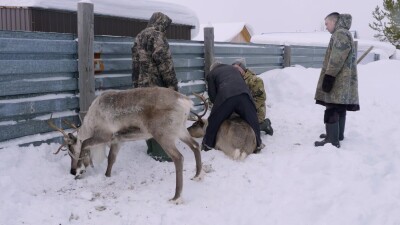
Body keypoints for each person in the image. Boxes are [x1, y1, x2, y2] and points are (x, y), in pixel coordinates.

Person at [132, 12, 178, 161]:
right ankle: (162, 153)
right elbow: (165, 64)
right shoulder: (157, 36)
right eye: (166, 26)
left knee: (147, 118)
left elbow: (134, 65)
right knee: (160, 119)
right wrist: (173, 86)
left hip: (140, 88)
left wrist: (134, 87)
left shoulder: (138, 36)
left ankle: (151, 149)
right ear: (161, 23)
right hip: (156, 89)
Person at [314, 12, 360, 148]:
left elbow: (337, 58)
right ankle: (337, 134)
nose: (326, 27)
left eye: (327, 24)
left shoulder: (340, 34)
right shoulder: (344, 33)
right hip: (342, 79)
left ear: (334, 22)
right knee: (339, 106)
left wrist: (329, 76)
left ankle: (332, 139)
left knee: (332, 106)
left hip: (337, 80)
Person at [202, 61, 264, 153]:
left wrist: (219, 110)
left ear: (213, 68)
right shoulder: (233, 69)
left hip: (226, 96)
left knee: (213, 121)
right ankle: (258, 144)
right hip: (244, 96)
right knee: (252, 119)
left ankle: (208, 145)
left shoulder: (211, 74)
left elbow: (213, 96)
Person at [232, 59, 274, 136]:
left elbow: (261, 98)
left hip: (257, 109)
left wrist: (247, 109)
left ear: (242, 69)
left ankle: (265, 124)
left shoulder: (255, 80)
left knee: (250, 128)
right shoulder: (235, 80)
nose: (235, 71)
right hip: (242, 108)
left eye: (237, 69)